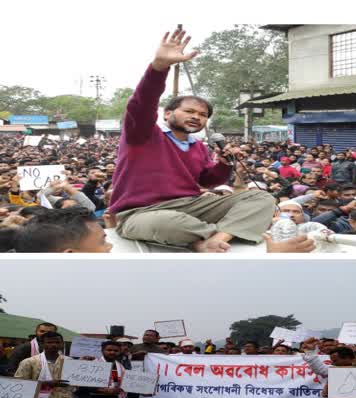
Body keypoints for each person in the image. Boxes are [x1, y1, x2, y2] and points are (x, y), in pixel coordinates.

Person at [108, 27, 276, 252]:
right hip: (142, 212)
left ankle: (218, 237)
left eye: (203, 115)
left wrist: (225, 164)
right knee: (164, 223)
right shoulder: (142, 134)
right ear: (167, 114)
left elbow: (208, 181)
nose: (197, 117)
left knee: (261, 199)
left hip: (193, 206)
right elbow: (142, 102)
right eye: (189, 111)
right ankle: (208, 237)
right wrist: (159, 67)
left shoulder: (198, 146)